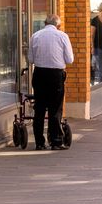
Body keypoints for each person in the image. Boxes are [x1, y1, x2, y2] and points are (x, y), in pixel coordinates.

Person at [28, 15, 74, 150]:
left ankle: (39, 143)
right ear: (58, 26)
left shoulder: (35, 36)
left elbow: (31, 59)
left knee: (40, 109)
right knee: (55, 109)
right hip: (56, 75)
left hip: (40, 73)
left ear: (44, 23)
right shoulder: (62, 36)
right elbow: (69, 59)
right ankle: (55, 141)